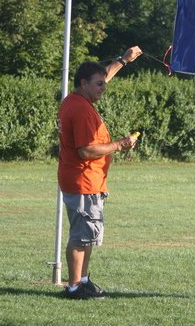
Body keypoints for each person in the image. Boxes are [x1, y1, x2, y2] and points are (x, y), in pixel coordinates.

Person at [57, 46, 143, 299]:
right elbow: (86, 150)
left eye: (103, 84)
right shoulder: (81, 109)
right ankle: (74, 286)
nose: (103, 88)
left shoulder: (77, 99)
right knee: (80, 236)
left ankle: (82, 280)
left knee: (88, 235)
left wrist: (123, 61)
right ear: (83, 83)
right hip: (83, 180)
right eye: (98, 85)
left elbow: (102, 75)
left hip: (88, 181)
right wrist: (119, 144)